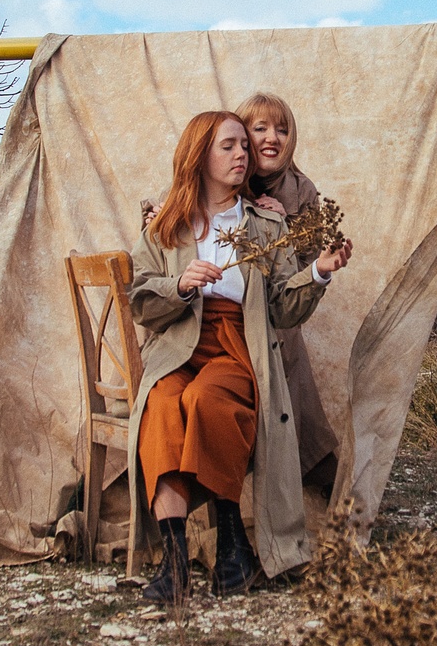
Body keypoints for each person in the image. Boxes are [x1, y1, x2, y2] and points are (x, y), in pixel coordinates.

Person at [127, 111, 353, 605]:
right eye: (228, 146)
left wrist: (317, 270)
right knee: (163, 407)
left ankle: (232, 538)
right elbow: (139, 298)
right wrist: (180, 284)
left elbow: (282, 310)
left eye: (243, 148)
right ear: (199, 156)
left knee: (212, 399)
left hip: (237, 343)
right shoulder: (165, 224)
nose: (242, 155)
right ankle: (175, 558)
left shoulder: (265, 223)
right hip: (176, 346)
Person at [233, 91, 343, 501]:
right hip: (223, 308)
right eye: (260, 127)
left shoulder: (303, 190)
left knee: (284, 342)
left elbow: (301, 277)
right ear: (242, 133)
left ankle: (310, 469)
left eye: (282, 129)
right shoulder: (224, 171)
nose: (272, 137)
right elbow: (183, 204)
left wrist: (280, 228)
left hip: (276, 310)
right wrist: (154, 213)